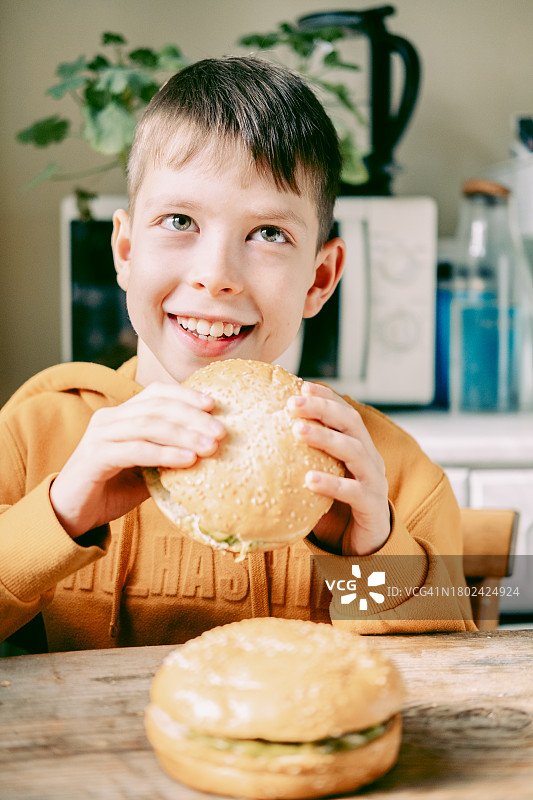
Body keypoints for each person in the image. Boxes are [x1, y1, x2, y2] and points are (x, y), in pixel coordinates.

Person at [0, 57, 475, 654]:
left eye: (269, 234)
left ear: (320, 279)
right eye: (179, 220)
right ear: (125, 250)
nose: (216, 275)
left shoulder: (390, 475)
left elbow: (454, 676)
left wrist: (372, 558)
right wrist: (58, 515)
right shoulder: (32, 437)